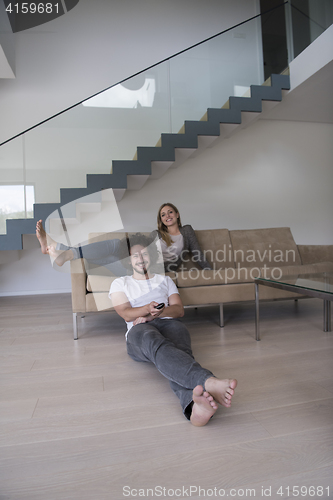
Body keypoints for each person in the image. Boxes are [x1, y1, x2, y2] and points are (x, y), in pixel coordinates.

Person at [109, 233, 237, 426]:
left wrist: (153, 314)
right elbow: (126, 313)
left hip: (168, 323)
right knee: (153, 339)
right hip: (139, 331)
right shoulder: (120, 283)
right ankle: (207, 381)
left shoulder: (165, 280)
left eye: (144, 254)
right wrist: (145, 310)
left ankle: (195, 408)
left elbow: (178, 310)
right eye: (135, 255)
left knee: (180, 346)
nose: (140, 259)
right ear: (128, 260)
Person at [36, 202, 212, 274]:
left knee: (104, 257)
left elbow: (197, 253)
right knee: (113, 250)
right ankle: (66, 252)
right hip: (140, 264)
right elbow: (144, 251)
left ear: (177, 214)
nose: (167, 216)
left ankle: (63, 249)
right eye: (163, 214)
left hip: (155, 272)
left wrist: (212, 271)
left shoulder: (187, 231)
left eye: (170, 212)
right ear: (161, 220)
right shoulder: (157, 234)